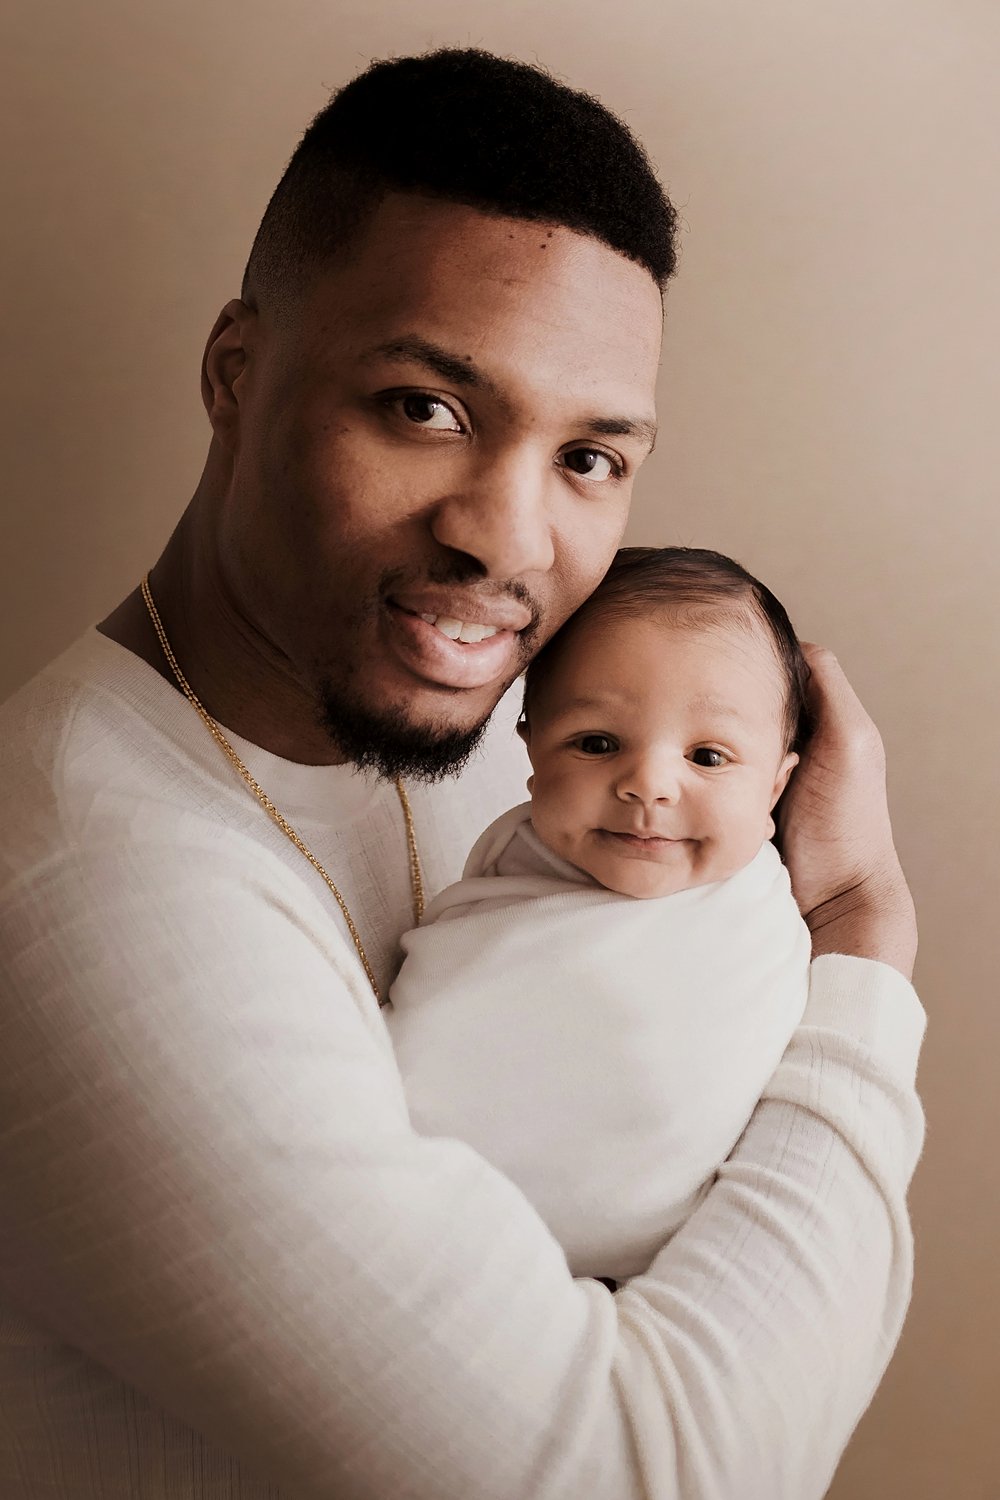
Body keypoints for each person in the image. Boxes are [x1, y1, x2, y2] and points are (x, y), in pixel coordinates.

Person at [0, 47, 923, 1500]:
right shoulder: (81, 902)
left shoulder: (503, 715)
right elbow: (654, 1476)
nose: (505, 540)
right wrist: (864, 938)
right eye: (426, 409)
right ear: (237, 372)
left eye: (590, 458)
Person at [388, 546, 813, 1283]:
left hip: (664, 1270)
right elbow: (440, 1041)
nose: (648, 785)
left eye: (709, 757)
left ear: (776, 785)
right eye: (596, 743)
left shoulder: (756, 918)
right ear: (529, 750)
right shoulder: (514, 869)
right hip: (440, 1249)